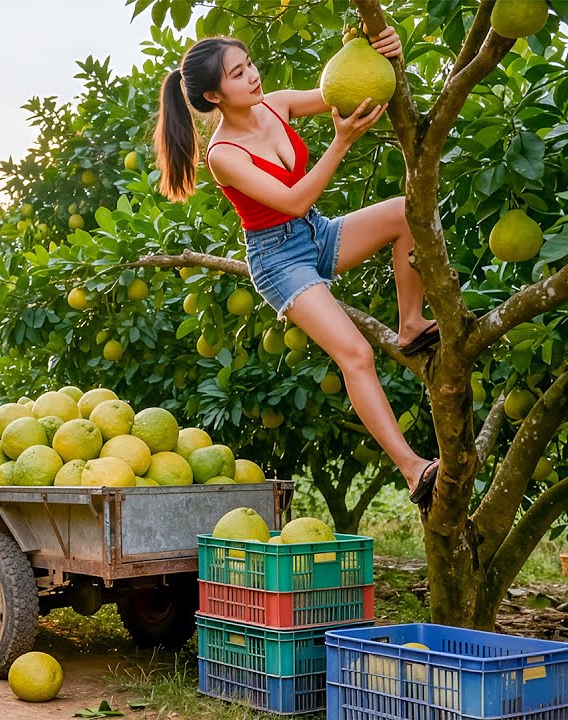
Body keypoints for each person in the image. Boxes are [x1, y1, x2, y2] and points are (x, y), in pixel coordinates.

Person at [153, 30, 440, 506]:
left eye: (250, 64)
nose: (252, 76)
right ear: (213, 96)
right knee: (355, 354)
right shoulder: (223, 155)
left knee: (408, 211)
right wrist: (340, 141)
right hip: (279, 259)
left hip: (316, 233)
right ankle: (414, 470)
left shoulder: (277, 104)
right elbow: (293, 198)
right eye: (237, 73)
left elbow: (351, 91)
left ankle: (410, 323)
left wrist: (379, 47)